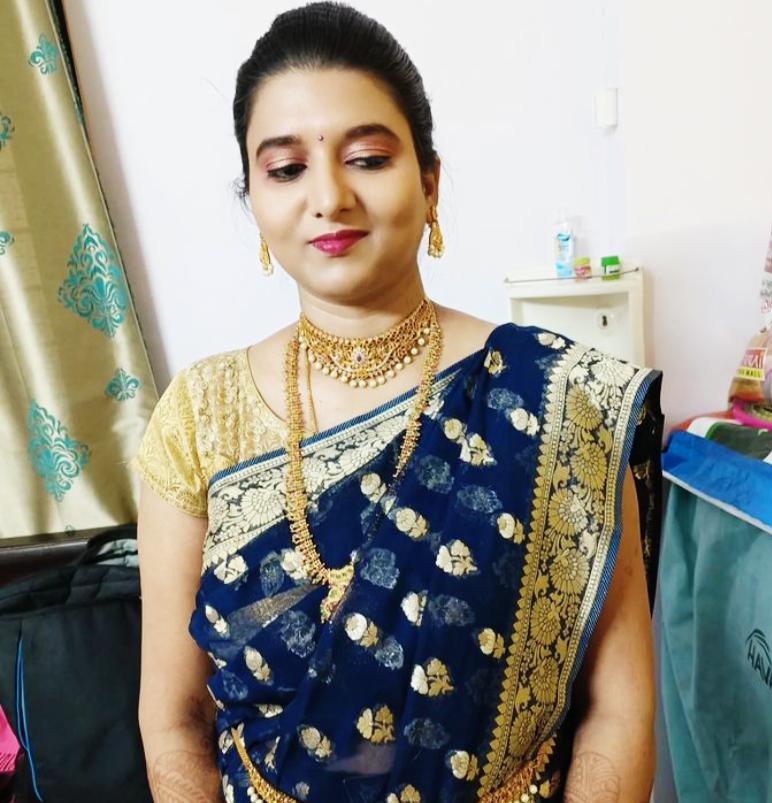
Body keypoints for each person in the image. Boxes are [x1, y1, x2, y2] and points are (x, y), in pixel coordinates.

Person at [132, 4, 663, 801]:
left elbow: (616, 709)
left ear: (429, 181)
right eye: (285, 169)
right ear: (253, 199)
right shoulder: (198, 416)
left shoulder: (561, 398)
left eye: (367, 158)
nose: (329, 196)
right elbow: (174, 715)